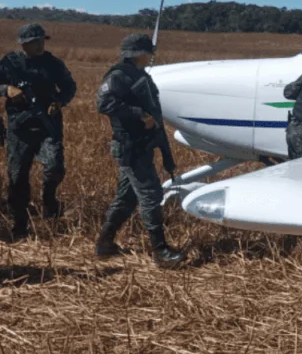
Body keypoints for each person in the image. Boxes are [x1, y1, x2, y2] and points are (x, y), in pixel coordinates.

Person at [94, 34, 185, 267]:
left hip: (140, 146)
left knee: (126, 199)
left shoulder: (140, 75)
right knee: (151, 195)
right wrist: (139, 115)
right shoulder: (119, 76)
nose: (151, 55)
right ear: (137, 53)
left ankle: (105, 243)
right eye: (148, 51)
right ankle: (160, 251)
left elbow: (154, 113)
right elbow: (103, 103)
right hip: (130, 147)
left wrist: (165, 151)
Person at [0, 23, 76, 239]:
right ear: (24, 44)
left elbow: (70, 87)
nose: (40, 44)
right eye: (35, 41)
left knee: (55, 167)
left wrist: (60, 102)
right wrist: (6, 89)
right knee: (17, 177)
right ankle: (19, 225)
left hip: (47, 125)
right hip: (20, 129)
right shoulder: (10, 63)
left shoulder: (53, 64)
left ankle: (49, 199)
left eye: (42, 40)